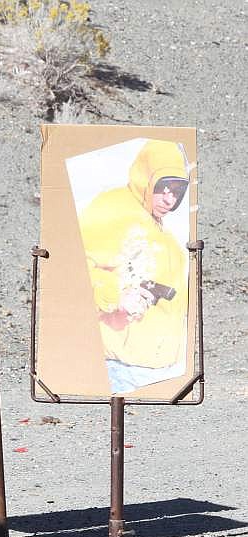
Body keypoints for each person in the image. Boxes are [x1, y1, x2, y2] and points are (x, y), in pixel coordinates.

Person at [78, 139, 190, 394]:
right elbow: (72, 266)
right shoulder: (113, 206)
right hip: (122, 366)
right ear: (146, 177)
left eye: (177, 191)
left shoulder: (162, 231)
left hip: (159, 368)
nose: (169, 199)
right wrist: (115, 295)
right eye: (164, 187)